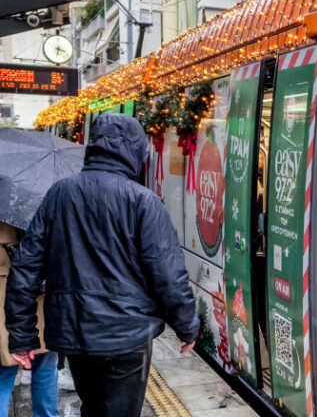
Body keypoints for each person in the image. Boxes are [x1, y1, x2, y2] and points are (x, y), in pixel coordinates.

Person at [4, 114, 199, 417]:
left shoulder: (59, 194)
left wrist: (22, 336)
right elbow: (169, 276)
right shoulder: (144, 202)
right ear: (135, 152)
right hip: (127, 337)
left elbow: (26, 269)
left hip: (75, 332)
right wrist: (187, 326)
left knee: (92, 407)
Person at [0, 222, 57, 417]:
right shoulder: (31, 209)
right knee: (45, 362)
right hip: (33, 290)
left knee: (4, 368)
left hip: (7, 292)